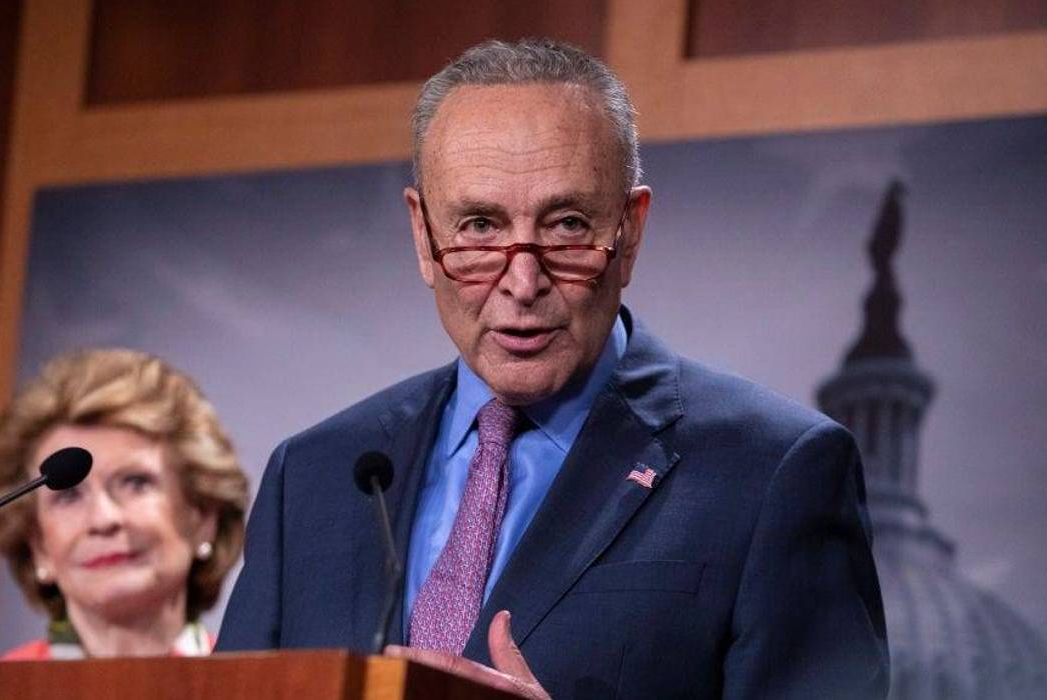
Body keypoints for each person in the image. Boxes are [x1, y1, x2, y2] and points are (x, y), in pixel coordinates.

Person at [218, 39, 888, 698]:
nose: (522, 279)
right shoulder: (315, 476)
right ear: (423, 237)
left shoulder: (772, 470)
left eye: (566, 225)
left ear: (629, 232)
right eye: (479, 226)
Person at [0, 349, 249, 659]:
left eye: (136, 483)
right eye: (69, 496)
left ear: (203, 517)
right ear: (38, 546)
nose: (103, 519)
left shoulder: (262, 688)